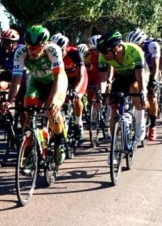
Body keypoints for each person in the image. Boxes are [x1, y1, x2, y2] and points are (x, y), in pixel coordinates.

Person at [2, 25, 68, 165]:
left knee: (52, 110)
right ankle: (30, 152)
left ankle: (59, 142)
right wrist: (9, 100)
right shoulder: (20, 52)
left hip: (55, 82)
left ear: (45, 45)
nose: (32, 50)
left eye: (37, 47)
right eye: (30, 47)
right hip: (36, 82)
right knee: (28, 111)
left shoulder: (53, 50)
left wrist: (55, 100)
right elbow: (16, 79)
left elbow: (58, 77)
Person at [97, 29, 148, 162]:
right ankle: (114, 146)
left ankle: (140, 125)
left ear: (115, 48)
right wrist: (101, 94)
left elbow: (140, 75)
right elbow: (103, 78)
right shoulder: (103, 55)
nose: (103, 56)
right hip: (120, 77)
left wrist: (143, 92)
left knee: (135, 89)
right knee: (114, 108)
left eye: (105, 52)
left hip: (137, 74)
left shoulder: (134, 51)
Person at [50, 33, 88, 143]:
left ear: (66, 47)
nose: (58, 54)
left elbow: (81, 75)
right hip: (63, 77)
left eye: (60, 50)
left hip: (77, 77)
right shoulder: (51, 55)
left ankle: (78, 123)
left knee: (76, 98)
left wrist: (75, 91)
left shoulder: (75, 53)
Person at [126, 28, 160, 140]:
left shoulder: (152, 45)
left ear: (142, 42)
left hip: (151, 71)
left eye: (137, 45)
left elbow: (155, 64)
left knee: (151, 97)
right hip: (138, 70)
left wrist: (154, 80)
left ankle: (153, 126)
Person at [0, 29, 26, 112]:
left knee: (21, 109)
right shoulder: (1, 51)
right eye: (2, 42)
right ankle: (3, 109)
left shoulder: (21, 50)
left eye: (7, 43)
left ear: (15, 43)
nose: (5, 46)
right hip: (9, 75)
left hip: (22, 77)